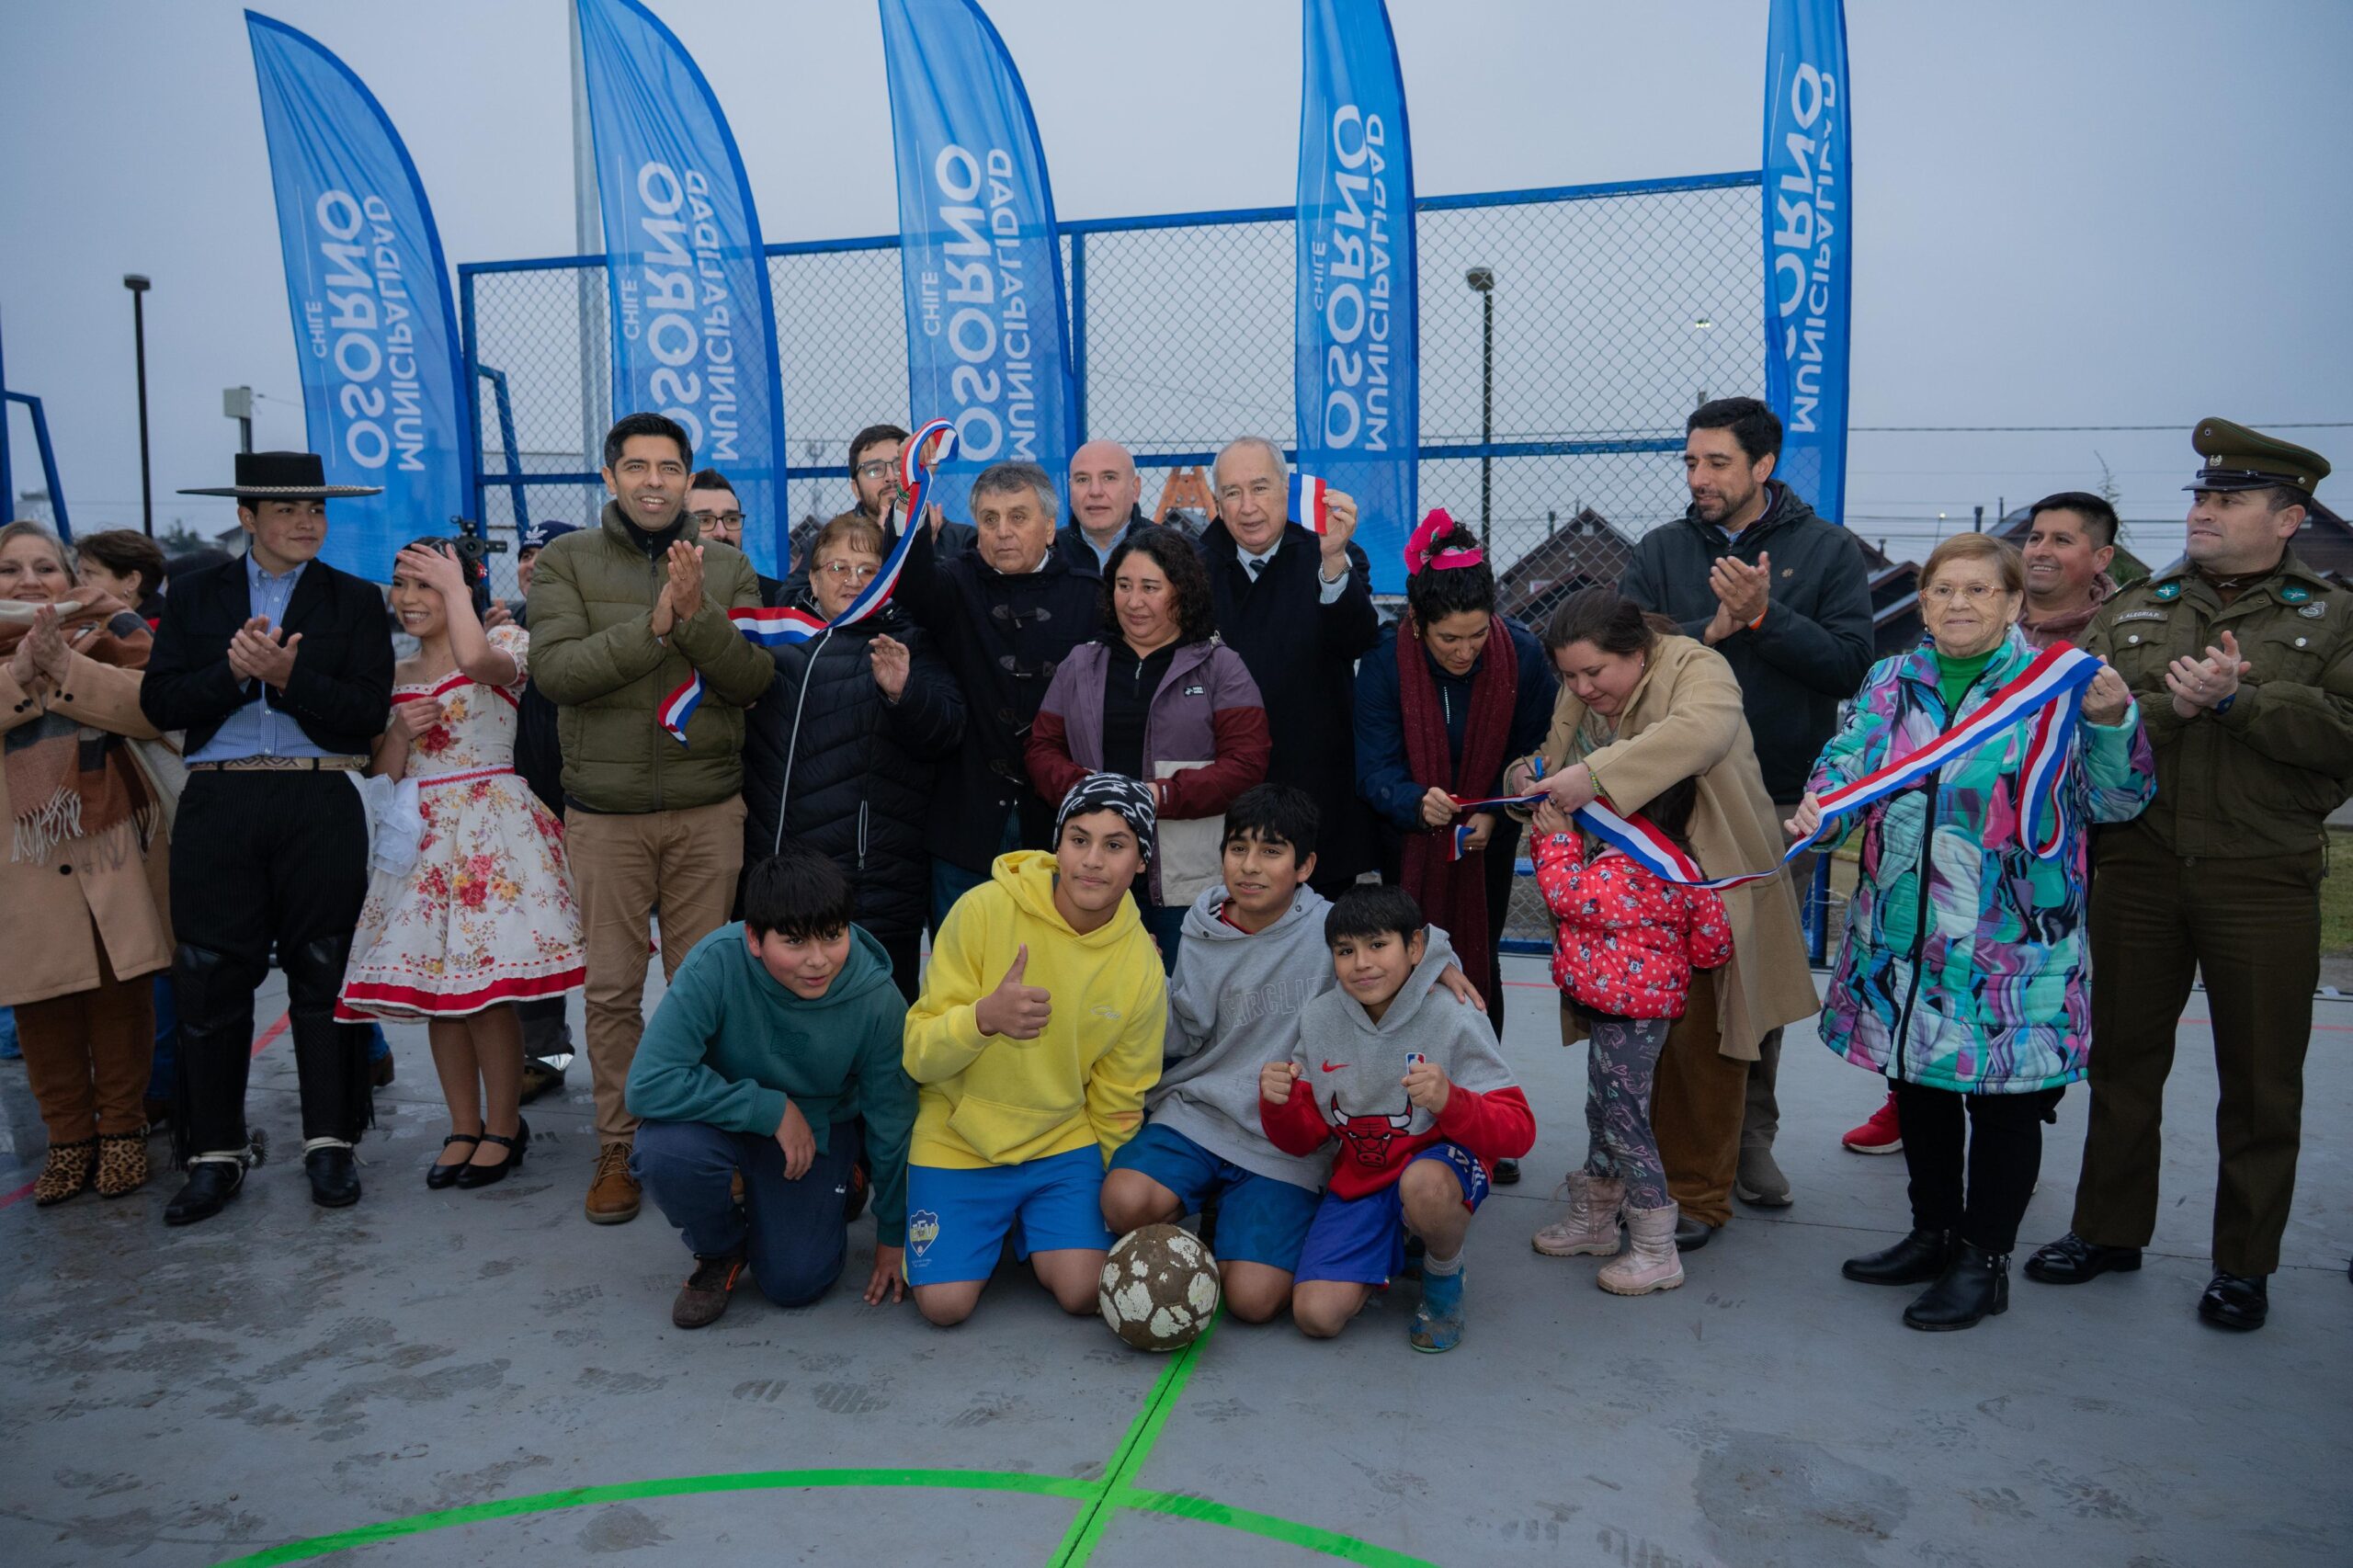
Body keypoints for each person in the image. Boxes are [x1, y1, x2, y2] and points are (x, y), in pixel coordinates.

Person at [2027, 420, 2352, 1333]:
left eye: (2228, 499)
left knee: (2261, 1082)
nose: (2203, 510)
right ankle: (2107, 1230)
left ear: (2287, 517)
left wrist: (2244, 700)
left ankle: (2244, 1264)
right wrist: (2177, 706)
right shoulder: (2137, 605)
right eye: (2201, 496)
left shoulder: (2333, 616)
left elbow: (2344, 733)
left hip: (2261, 875)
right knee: (2122, 1062)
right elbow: (2077, 721)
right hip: (2137, 869)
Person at [1789, 534, 2154, 1330]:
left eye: (1979, 590)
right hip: (1904, 932)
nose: (1958, 603)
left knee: (2004, 1104)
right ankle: (1933, 1235)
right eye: (1942, 589)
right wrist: (1823, 806)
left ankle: (1985, 1262)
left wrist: (2112, 726)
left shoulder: (2060, 685)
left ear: (2015, 602)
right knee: (1919, 1086)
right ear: (1922, 603)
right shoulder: (1893, 679)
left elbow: (2120, 802)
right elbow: (1848, 763)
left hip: (2011, 944)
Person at [1619, 396, 1873, 1211]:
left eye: (1717, 463)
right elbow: (1625, 651)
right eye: (1691, 462)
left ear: (1763, 466)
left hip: (1774, 804)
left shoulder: (1827, 550)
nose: (1699, 477)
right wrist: (1714, 628)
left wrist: (1766, 615)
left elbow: (1850, 665)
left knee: (1752, 980)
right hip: (1664, 803)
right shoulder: (1662, 548)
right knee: (1658, 975)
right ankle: (1647, 1138)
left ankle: (1747, 1139)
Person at [1105, 785, 1488, 1323]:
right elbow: (1183, 1033)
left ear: (1304, 866)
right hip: (1201, 1112)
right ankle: (1215, 1202)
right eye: (1238, 849)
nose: (1250, 866)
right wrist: (1142, 982)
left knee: (1253, 1301)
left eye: (1271, 851)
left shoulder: (1330, 931)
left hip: (1284, 1139)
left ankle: (1266, 1221)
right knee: (1122, 1202)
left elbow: (1406, 938)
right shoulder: (1201, 929)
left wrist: (1438, 961)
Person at [1508, 589, 1816, 1251]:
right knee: (1624, 1070)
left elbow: (1699, 733)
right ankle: (1634, 1187)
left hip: (1702, 892)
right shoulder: (1584, 692)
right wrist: (1526, 781)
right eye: (1570, 676)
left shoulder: (1697, 667)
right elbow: (1552, 759)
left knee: (1706, 1051)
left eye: (1595, 672)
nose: (1582, 688)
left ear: (1638, 651)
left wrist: (1590, 776)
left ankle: (1698, 1194)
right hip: (1622, 910)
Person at [528, 413, 773, 1225]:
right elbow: (557, 673)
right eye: (637, 467)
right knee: (612, 990)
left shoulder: (729, 566)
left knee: (707, 989)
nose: (654, 482)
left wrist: (698, 613)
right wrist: (657, 624)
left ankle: (706, 1143)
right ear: (610, 477)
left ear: (688, 477)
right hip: (606, 816)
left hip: (708, 810)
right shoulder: (566, 560)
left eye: (669, 468)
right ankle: (619, 1144)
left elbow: (751, 680)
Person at [141, 451, 394, 1223]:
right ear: (246, 517)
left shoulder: (355, 599)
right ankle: (213, 1153)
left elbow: (366, 712)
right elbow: (160, 703)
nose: (307, 521)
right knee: (210, 975)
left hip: (319, 793)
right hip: (220, 798)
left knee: (325, 968)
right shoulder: (194, 595)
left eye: (315, 508)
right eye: (286, 509)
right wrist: (233, 674)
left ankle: (331, 1143)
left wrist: (286, 678)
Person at [337, 540, 586, 1189]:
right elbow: (385, 779)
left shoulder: (504, 641)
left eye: (427, 583)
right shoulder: (392, 673)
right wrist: (399, 734)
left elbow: (479, 663)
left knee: (486, 995)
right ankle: (462, 1125)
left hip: (493, 834)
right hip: (422, 842)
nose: (409, 598)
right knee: (442, 998)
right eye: (401, 583)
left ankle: (503, 1126)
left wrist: (457, 588)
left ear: (462, 587)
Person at [901, 775, 1166, 1327]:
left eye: (1115, 845)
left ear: (1142, 861)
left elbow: (1120, 1099)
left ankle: (1032, 1221)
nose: (1092, 860)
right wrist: (983, 1019)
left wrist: (1106, 1201)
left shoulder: (1142, 965)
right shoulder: (982, 909)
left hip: (1060, 1143)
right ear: (1057, 844)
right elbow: (918, 1055)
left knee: (1085, 1292)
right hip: (958, 1136)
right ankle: (997, 1224)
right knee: (944, 1307)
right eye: (1079, 839)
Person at [627, 844, 916, 1327]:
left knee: (796, 1282)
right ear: (754, 939)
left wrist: (893, 1233)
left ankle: (844, 1176)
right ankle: (719, 1250)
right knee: (665, 1153)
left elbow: (894, 1120)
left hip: (819, 1128)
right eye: (795, 942)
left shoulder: (878, 999)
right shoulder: (715, 964)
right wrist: (770, 1108)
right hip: (722, 1118)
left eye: (833, 936)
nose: (818, 960)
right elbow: (648, 1083)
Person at [1259, 883, 1534, 1352]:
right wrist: (1278, 1103)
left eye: (1378, 944)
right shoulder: (1320, 1018)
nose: (1361, 963)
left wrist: (1452, 1101)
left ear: (1415, 947)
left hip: (1438, 1169)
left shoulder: (1454, 1014)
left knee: (1424, 1188)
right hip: (1365, 1172)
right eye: (1345, 951)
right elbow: (1306, 1139)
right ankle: (1395, 1241)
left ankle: (1443, 1271)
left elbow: (1520, 1131)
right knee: (1315, 1315)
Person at [0, 523, 174, 1204]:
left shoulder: (110, 629)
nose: (29, 581)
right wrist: (19, 677)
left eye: (45, 566)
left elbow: (154, 708)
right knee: (41, 1000)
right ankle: (68, 1141)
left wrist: (67, 669)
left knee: (121, 993)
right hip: (19, 855)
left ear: (69, 575)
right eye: (10, 569)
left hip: (112, 845)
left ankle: (124, 1131)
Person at [1353, 508, 1555, 1050]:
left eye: (1478, 634)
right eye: (1449, 638)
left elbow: (1535, 752)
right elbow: (1374, 770)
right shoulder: (1385, 663)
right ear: (1417, 621)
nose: (1465, 651)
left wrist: (1494, 812)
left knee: (1480, 954)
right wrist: (1418, 803)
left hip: (1490, 838)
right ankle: (1405, 1077)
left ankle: (1480, 1080)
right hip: (1407, 837)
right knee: (1405, 959)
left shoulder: (1523, 655)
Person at [743, 509, 963, 1002]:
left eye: (868, 569)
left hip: (870, 883)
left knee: (877, 1014)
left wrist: (904, 692)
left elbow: (946, 731)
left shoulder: (909, 639)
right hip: (776, 876)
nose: (852, 580)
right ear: (813, 577)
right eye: (838, 568)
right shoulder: (777, 638)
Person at [1028, 527, 1270, 967]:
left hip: (1184, 885)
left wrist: (1160, 795)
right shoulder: (1081, 663)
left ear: (1183, 592)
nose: (1134, 601)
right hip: (1093, 878)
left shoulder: (1220, 666)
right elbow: (1042, 749)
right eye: (1124, 585)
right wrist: (1088, 791)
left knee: (1183, 999)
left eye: (1150, 588)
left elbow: (1247, 763)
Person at [1528, 778, 1732, 1296]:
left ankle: (1656, 1250)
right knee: (1604, 1109)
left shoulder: (1629, 866)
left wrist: (1557, 840)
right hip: (1625, 1012)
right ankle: (1596, 1222)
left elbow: (1568, 895)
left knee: (1624, 1122)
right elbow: (1712, 947)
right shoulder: (1681, 867)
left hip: (1627, 1015)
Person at [893, 460, 1104, 929]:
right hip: (967, 820)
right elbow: (911, 582)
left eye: (1018, 517)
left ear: (1049, 527)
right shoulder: (954, 582)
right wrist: (909, 502)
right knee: (963, 957)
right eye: (989, 519)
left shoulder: (1089, 595)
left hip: (1058, 820)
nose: (1002, 531)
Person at [1198, 437, 1380, 893]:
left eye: (1260, 488)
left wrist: (1333, 560)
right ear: (1217, 501)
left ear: (1286, 488)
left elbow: (1358, 639)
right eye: (1233, 492)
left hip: (1317, 790)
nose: (1247, 507)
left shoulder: (1331, 549)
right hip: (1225, 796)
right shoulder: (1193, 569)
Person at [505, 517, 580, 1103]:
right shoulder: (502, 631)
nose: (532, 563)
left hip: (589, 805)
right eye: (526, 553)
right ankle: (543, 1055)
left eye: (546, 552)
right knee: (533, 935)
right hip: (524, 811)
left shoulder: (588, 622)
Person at [780, 424, 976, 605]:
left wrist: (920, 548)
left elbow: (975, 605)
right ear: (856, 488)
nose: (891, 477)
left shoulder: (961, 539)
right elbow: (787, 601)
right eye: (874, 470)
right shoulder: (826, 543)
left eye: (900, 466)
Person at [2020, 491, 2122, 650]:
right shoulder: (1989, 614)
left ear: (2101, 558)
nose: (2040, 551)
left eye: (2061, 540)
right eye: (2035, 538)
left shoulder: (2121, 632)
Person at [686, 469, 787, 608]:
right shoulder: (661, 596)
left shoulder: (779, 600)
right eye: (705, 520)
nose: (721, 533)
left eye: (731, 519)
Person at [1055, 439, 1154, 573]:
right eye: (1083, 479)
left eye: (1109, 478)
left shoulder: (1173, 551)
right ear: (1070, 490)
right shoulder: (1046, 554)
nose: (1095, 492)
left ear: (1135, 489)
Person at [72, 529, 169, 629]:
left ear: (132, 581)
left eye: (89, 572)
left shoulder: (157, 631)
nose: (78, 581)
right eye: (78, 572)